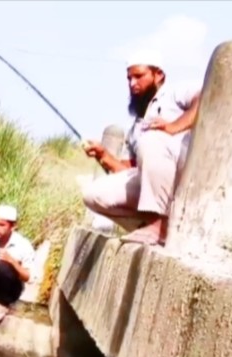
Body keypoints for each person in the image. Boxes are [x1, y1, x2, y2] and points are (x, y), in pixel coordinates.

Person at [80, 49, 202, 246]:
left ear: (158, 75)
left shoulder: (175, 92)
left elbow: (206, 96)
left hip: (183, 171)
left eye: (139, 76)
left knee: (153, 138)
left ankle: (157, 225)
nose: (132, 83)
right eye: (129, 78)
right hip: (156, 185)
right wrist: (103, 155)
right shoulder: (137, 126)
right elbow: (133, 172)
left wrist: (173, 127)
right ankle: (157, 227)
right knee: (93, 195)